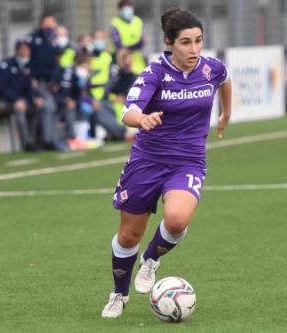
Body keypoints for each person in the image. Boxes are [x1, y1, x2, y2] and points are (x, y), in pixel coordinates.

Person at [101, 8, 232, 318]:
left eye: (199, 41)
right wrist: (142, 119)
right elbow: (128, 110)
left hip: (188, 161)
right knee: (127, 236)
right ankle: (118, 295)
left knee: (176, 220)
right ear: (169, 43)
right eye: (186, 42)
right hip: (147, 160)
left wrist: (226, 112)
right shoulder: (154, 73)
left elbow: (225, 79)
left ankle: (150, 260)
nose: (194, 49)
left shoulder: (211, 69)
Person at [0, 39, 41, 152]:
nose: (25, 52)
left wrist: (33, 98)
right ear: (17, 50)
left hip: (20, 100)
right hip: (1, 101)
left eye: (27, 49)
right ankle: (25, 143)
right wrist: (16, 100)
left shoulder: (27, 67)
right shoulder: (6, 64)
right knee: (20, 110)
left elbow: (28, 88)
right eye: (23, 49)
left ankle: (32, 141)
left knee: (35, 109)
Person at [25, 12, 61, 150]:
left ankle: (49, 139)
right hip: (35, 82)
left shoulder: (53, 40)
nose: (50, 25)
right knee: (49, 106)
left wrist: (54, 81)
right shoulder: (33, 39)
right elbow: (28, 61)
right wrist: (31, 79)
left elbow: (56, 63)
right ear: (42, 23)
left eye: (52, 22)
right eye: (47, 22)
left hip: (48, 83)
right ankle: (47, 140)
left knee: (52, 107)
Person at [109, 0, 146, 75]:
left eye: (129, 8)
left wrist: (128, 48)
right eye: (124, 9)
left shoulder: (138, 21)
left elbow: (142, 42)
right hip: (122, 61)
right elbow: (118, 44)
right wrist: (131, 48)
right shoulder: (115, 23)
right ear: (120, 10)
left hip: (138, 62)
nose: (128, 11)